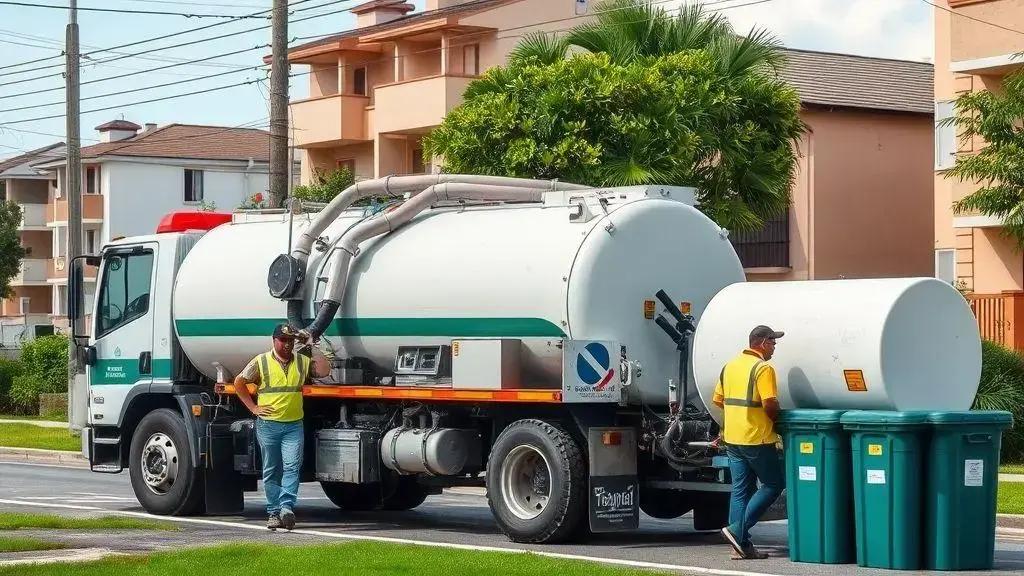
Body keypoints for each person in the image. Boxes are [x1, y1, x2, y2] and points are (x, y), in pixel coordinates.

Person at [233, 324, 330, 531]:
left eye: (290, 341)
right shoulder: (261, 361)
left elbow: (324, 370)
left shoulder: (302, 361)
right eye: (283, 340)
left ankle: (286, 507)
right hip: (269, 425)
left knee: (292, 467)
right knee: (272, 469)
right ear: (274, 340)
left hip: (293, 425)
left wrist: (311, 345)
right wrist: (253, 407)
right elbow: (239, 382)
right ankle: (273, 512)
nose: (287, 344)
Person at [712, 325, 785, 560]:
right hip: (756, 438)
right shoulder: (763, 368)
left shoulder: (730, 366)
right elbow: (769, 403)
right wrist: (777, 421)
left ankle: (739, 546)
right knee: (773, 484)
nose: (774, 347)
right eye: (773, 342)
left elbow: (718, 400)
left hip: (733, 438)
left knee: (740, 490)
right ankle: (737, 530)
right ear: (762, 343)